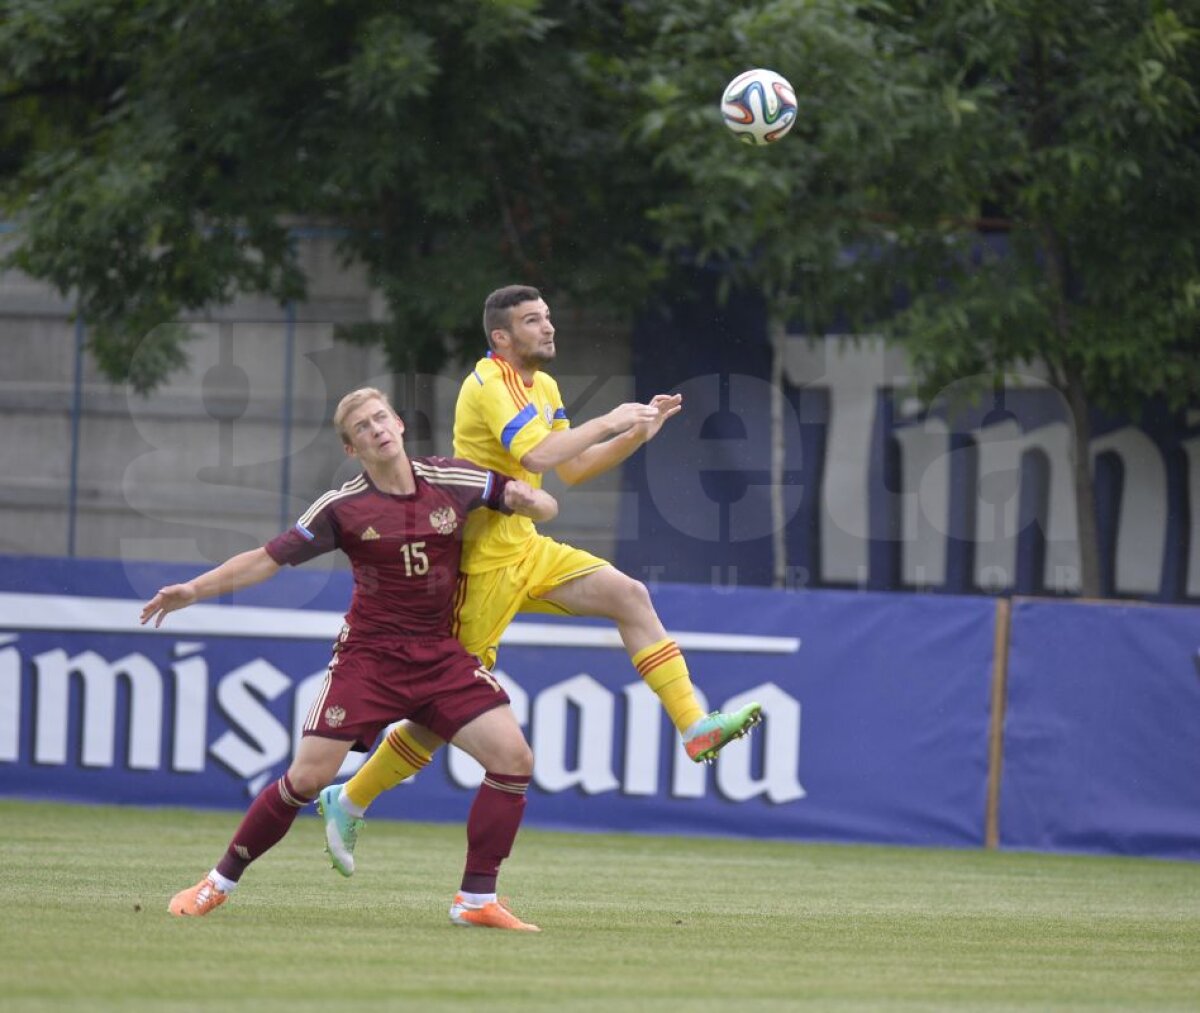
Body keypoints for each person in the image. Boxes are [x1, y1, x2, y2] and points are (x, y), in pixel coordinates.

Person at [318, 284, 763, 877]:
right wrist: (610, 417)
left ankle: (694, 726)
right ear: (502, 337)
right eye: (533, 320)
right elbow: (539, 459)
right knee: (435, 716)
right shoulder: (488, 384)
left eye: (548, 316)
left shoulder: (543, 386)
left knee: (630, 596)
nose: (548, 327)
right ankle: (348, 798)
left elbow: (573, 467)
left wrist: (635, 434)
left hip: (526, 549)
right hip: (477, 568)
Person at [143, 386, 559, 931]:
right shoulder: (342, 507)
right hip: (370, 660)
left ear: (400, 425)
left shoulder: (453, 478)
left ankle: (476, 899)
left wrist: (537, 503)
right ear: (350, 448)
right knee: (307, 779)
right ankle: (215, 883)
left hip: (439, 657)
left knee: (514, 759)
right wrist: (193, 591)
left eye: (382, 417)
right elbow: (268, 559)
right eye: (362, 426)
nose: (377, 429)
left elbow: (538, 502)